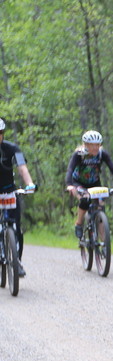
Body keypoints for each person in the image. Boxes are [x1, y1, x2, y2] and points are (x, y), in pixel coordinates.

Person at [65, 130, 113, 239]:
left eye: (97, 145)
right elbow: (70, 169)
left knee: (100, 206)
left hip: (94, 183)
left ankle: (104, 242)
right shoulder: (79, 154)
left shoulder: (102, 154)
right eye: (92, 145)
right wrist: (69, 185)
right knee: (85, 200)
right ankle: (79, 223)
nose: (95, 148)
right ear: (85, 145)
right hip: (79, 182)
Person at [0, 117, 38, 277]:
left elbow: (22, 168)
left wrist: (29, 184)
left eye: (0, 133)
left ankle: (18, 262)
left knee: (16, 228)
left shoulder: (12, 148)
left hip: (9, 191)